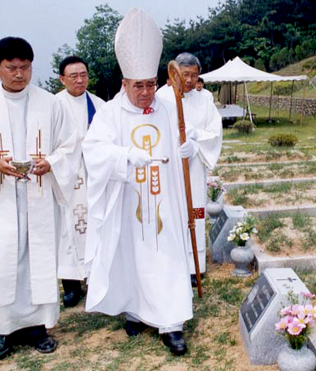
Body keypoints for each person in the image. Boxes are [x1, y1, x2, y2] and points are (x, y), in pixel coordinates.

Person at [82, 8, 194, 356]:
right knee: (132, 256)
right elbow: (94, 150)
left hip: (164, 200)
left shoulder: (166, 108)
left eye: (150, 85)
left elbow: (176, 145)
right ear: (124, 84)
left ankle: (172, 323)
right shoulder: (110, 114)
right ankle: (137, 311)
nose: (145, 93)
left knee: (167, 256)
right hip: (128, 197)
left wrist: (185, 149)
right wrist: (125, 156)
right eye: (137, 86)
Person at [0, 37, 78, 359]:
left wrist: (52, 163)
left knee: (38, 260)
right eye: (11, 68)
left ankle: (38, 327)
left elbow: (69, 146)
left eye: (25, 68)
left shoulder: (51, 103)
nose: (19, 75)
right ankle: (4, 330)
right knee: (2, 262)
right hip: (0, 201)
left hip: (39, 196)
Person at [156, 52, 222, 287]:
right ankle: (173, 265)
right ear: (174, 73)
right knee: (173, 215)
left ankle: (195, 267)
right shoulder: (161, 98)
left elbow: (215, 132)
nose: (190, 80)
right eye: (186, 74)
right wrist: (177, 144)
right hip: (171, 169)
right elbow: (155, 133)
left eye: (195, 75)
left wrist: (196, 142)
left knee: (195, 213)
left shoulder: (204, 99)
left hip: (194, 170)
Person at [55, 56, 105, 308]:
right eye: (73, 75)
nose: (79, 79)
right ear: (62, 78)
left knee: (95, 226)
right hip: (68, 179)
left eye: (83, 74)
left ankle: (95, 279)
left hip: (93, 176)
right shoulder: (53, 106)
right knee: (66, 231)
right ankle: (72, 286)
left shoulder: (98, 104)